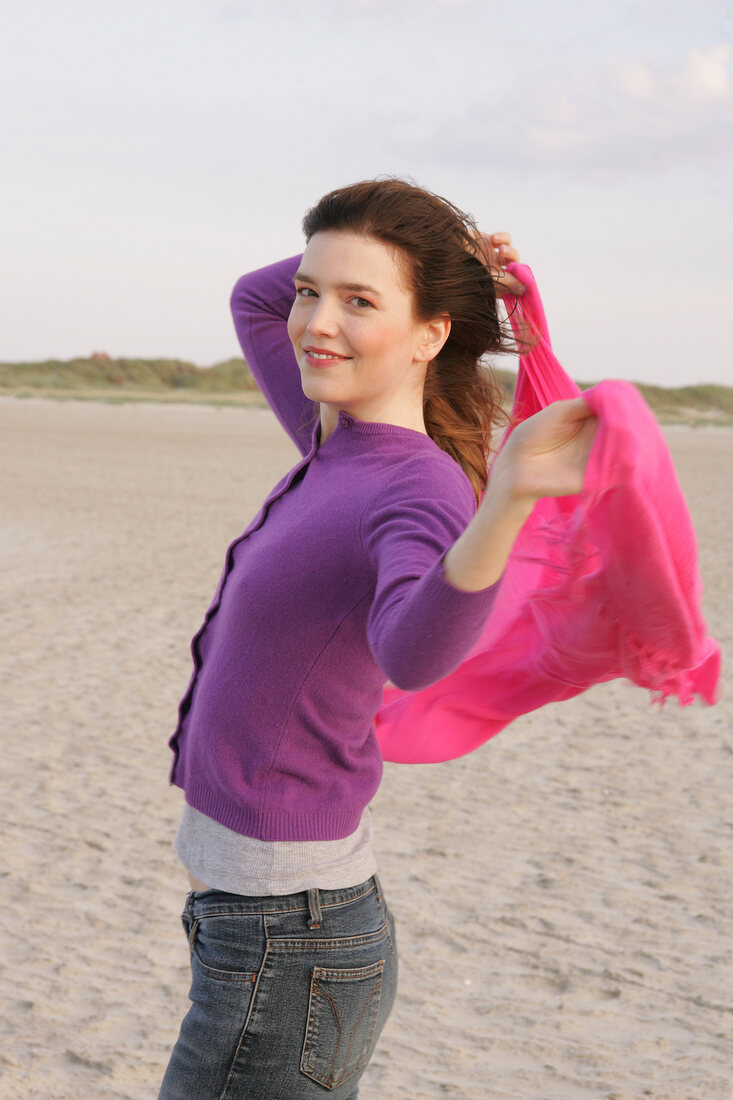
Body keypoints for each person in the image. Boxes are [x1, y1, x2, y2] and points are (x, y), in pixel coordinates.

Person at [158, 179, 597, 1100]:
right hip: (256, 920)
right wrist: (448, 251)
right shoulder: (335, 435)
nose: (316, 321)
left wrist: (508, 497)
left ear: (430, 333)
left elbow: (414, 651)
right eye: (313, 290)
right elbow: (254, 296)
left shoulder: (418, 488)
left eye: (361, 303)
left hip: (290, 937)